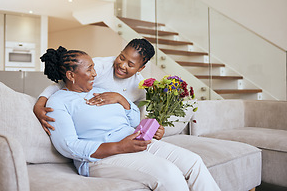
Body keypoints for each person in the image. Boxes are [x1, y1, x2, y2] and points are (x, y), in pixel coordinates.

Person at [41, 46, 221, 191]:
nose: (95, 74)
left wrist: (122, 100)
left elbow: (134, 119)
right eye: (90, 69)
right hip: (100, 158)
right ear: (71, 76)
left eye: (94, 68)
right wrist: (119, 146)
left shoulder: (100, 90)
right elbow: (68, 145)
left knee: (194, 162)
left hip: (134, 141)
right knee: (170, 173)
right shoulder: (57, 103)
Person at [34, 38, 165, 138]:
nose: (122, 65)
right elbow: (62, 84)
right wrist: (39, 105)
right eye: (121, 57)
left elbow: (139, 118)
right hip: (90, 127)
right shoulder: (98, 67)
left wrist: (155, 129)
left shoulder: (140, 86)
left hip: (117, 131)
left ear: (140, 68)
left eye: (130, 64)